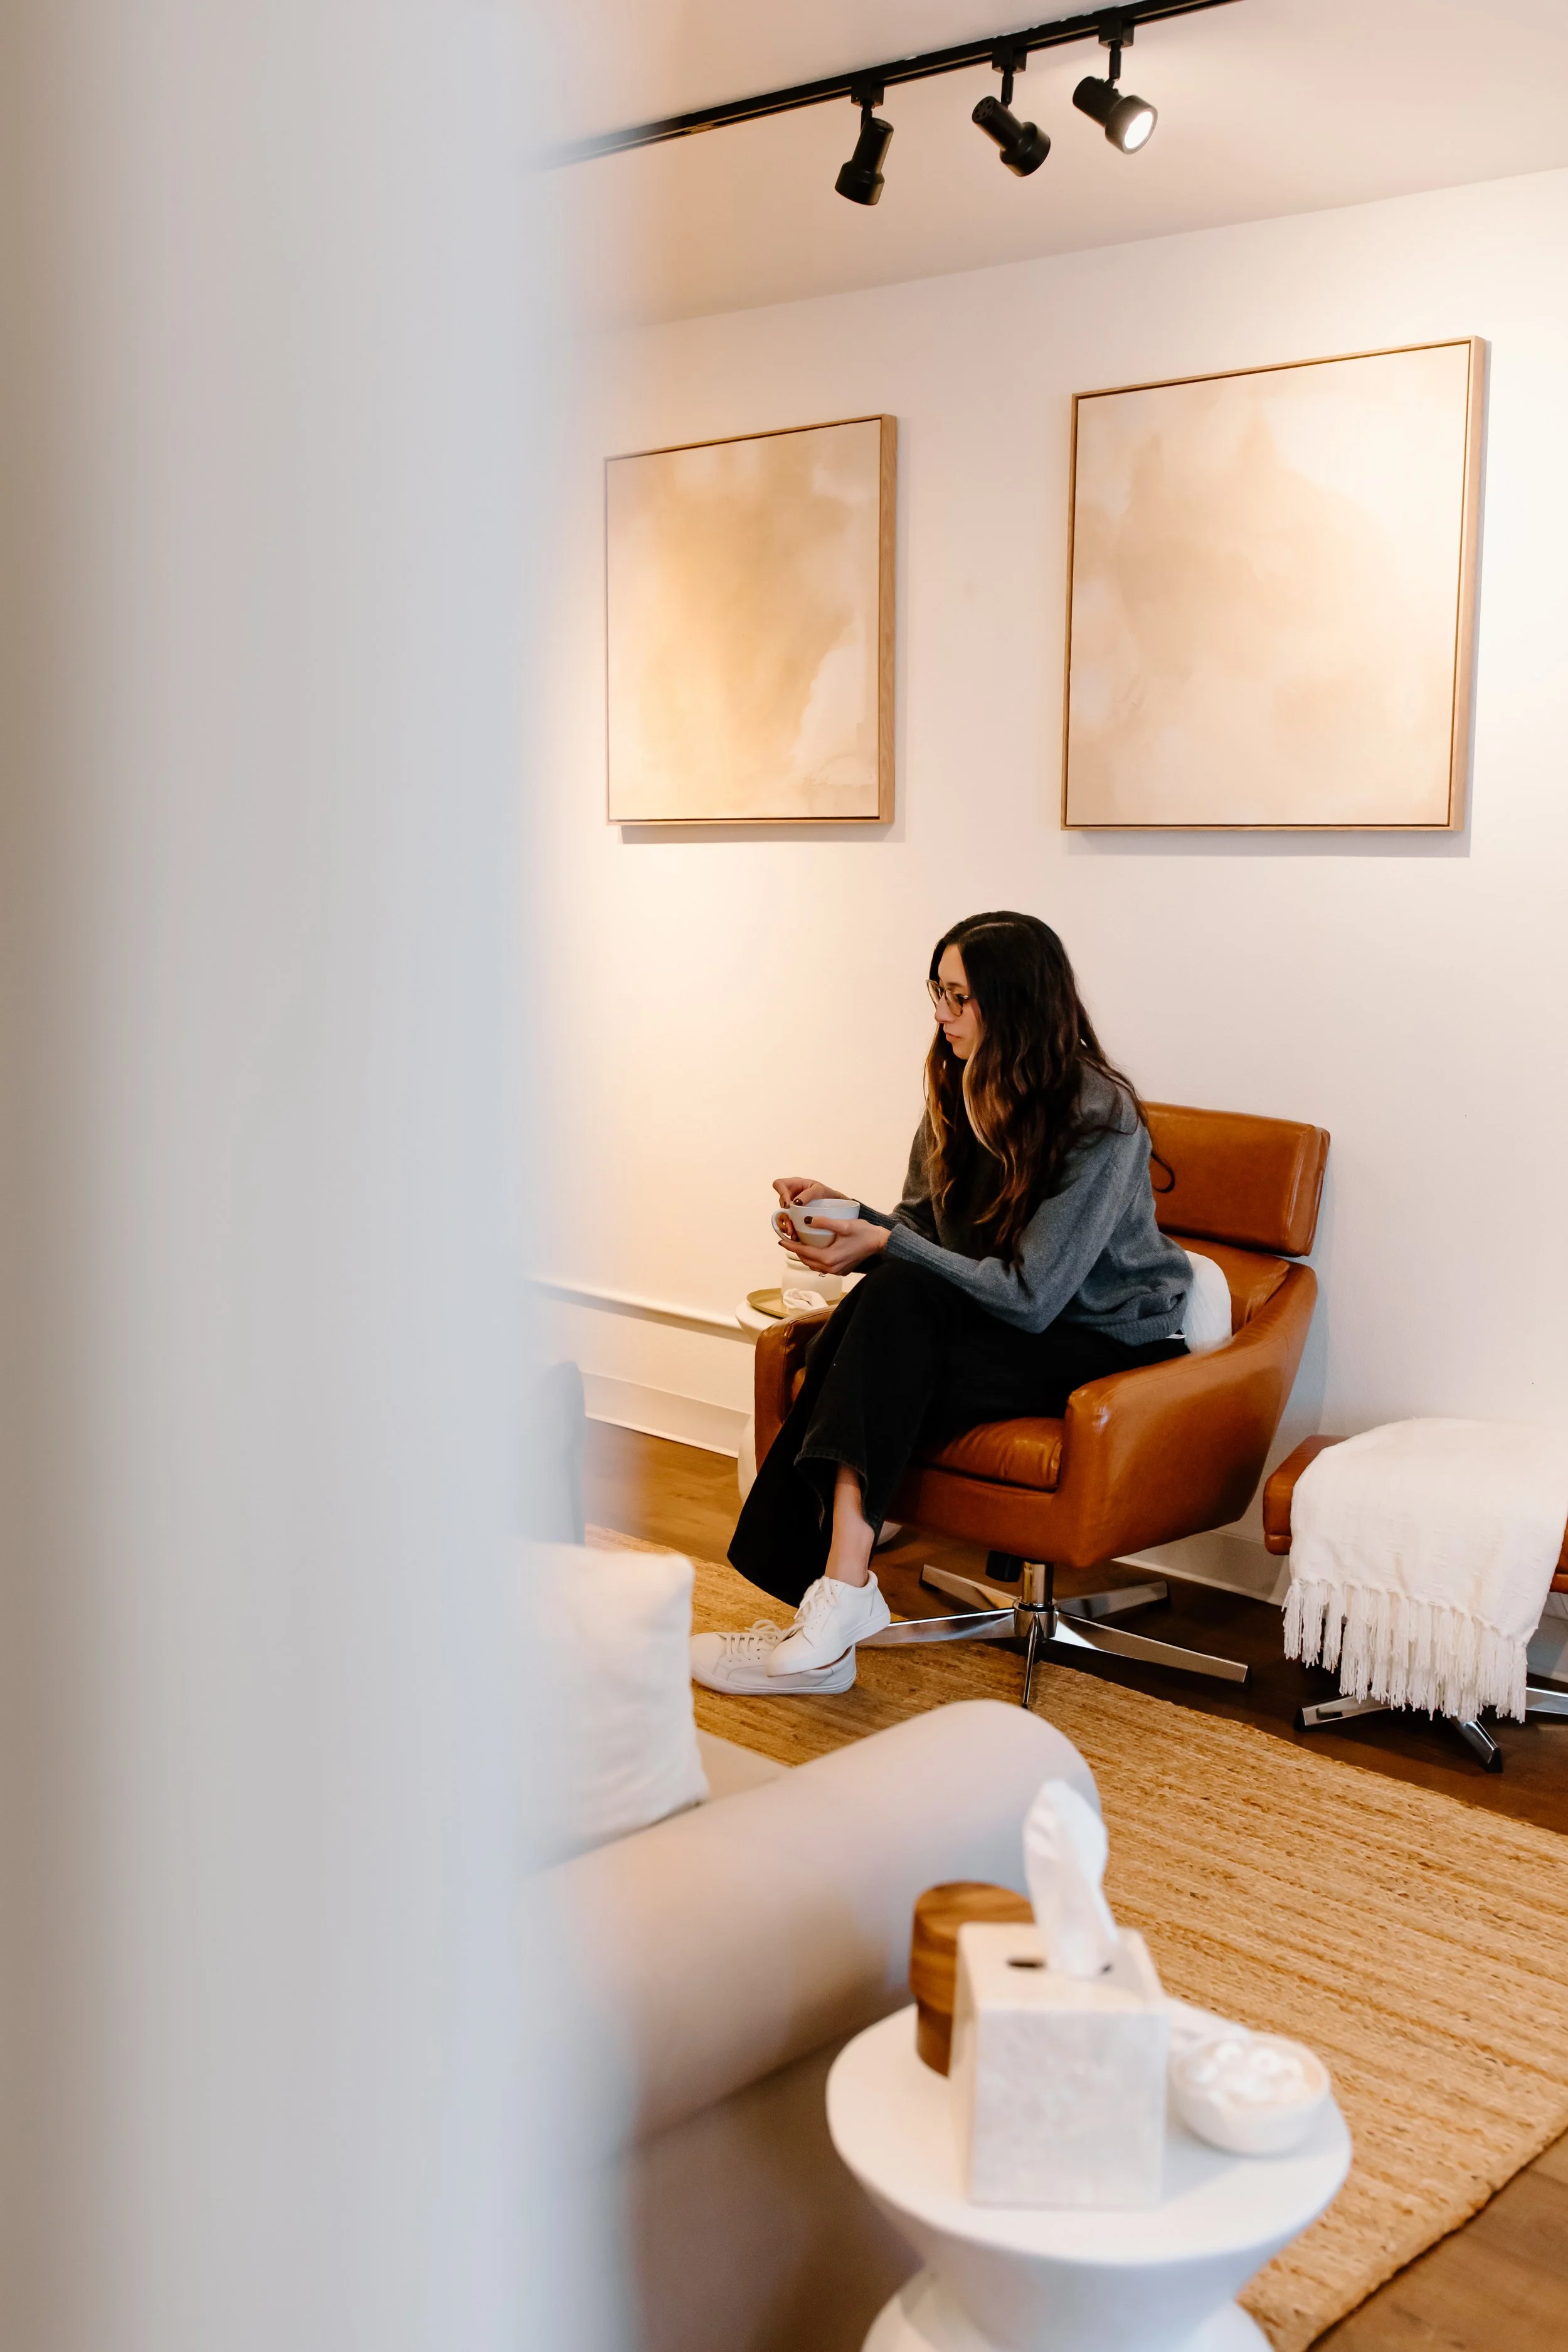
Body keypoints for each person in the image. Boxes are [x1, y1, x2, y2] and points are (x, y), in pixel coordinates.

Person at [691, 911, 1192, 1697]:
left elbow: (1032, 1298)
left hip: (1098, 1341)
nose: (941, 1014)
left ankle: (833, 1610)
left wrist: (885, 1245)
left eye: (958, 997)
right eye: (937, 991)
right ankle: (837, 1601)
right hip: (1003, 1317)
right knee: (885, 1305)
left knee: (884, 1305)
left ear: (1013, 1003)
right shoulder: (958, 1086)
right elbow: (923, 1229)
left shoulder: (1101, 1119)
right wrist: (851, 1216)